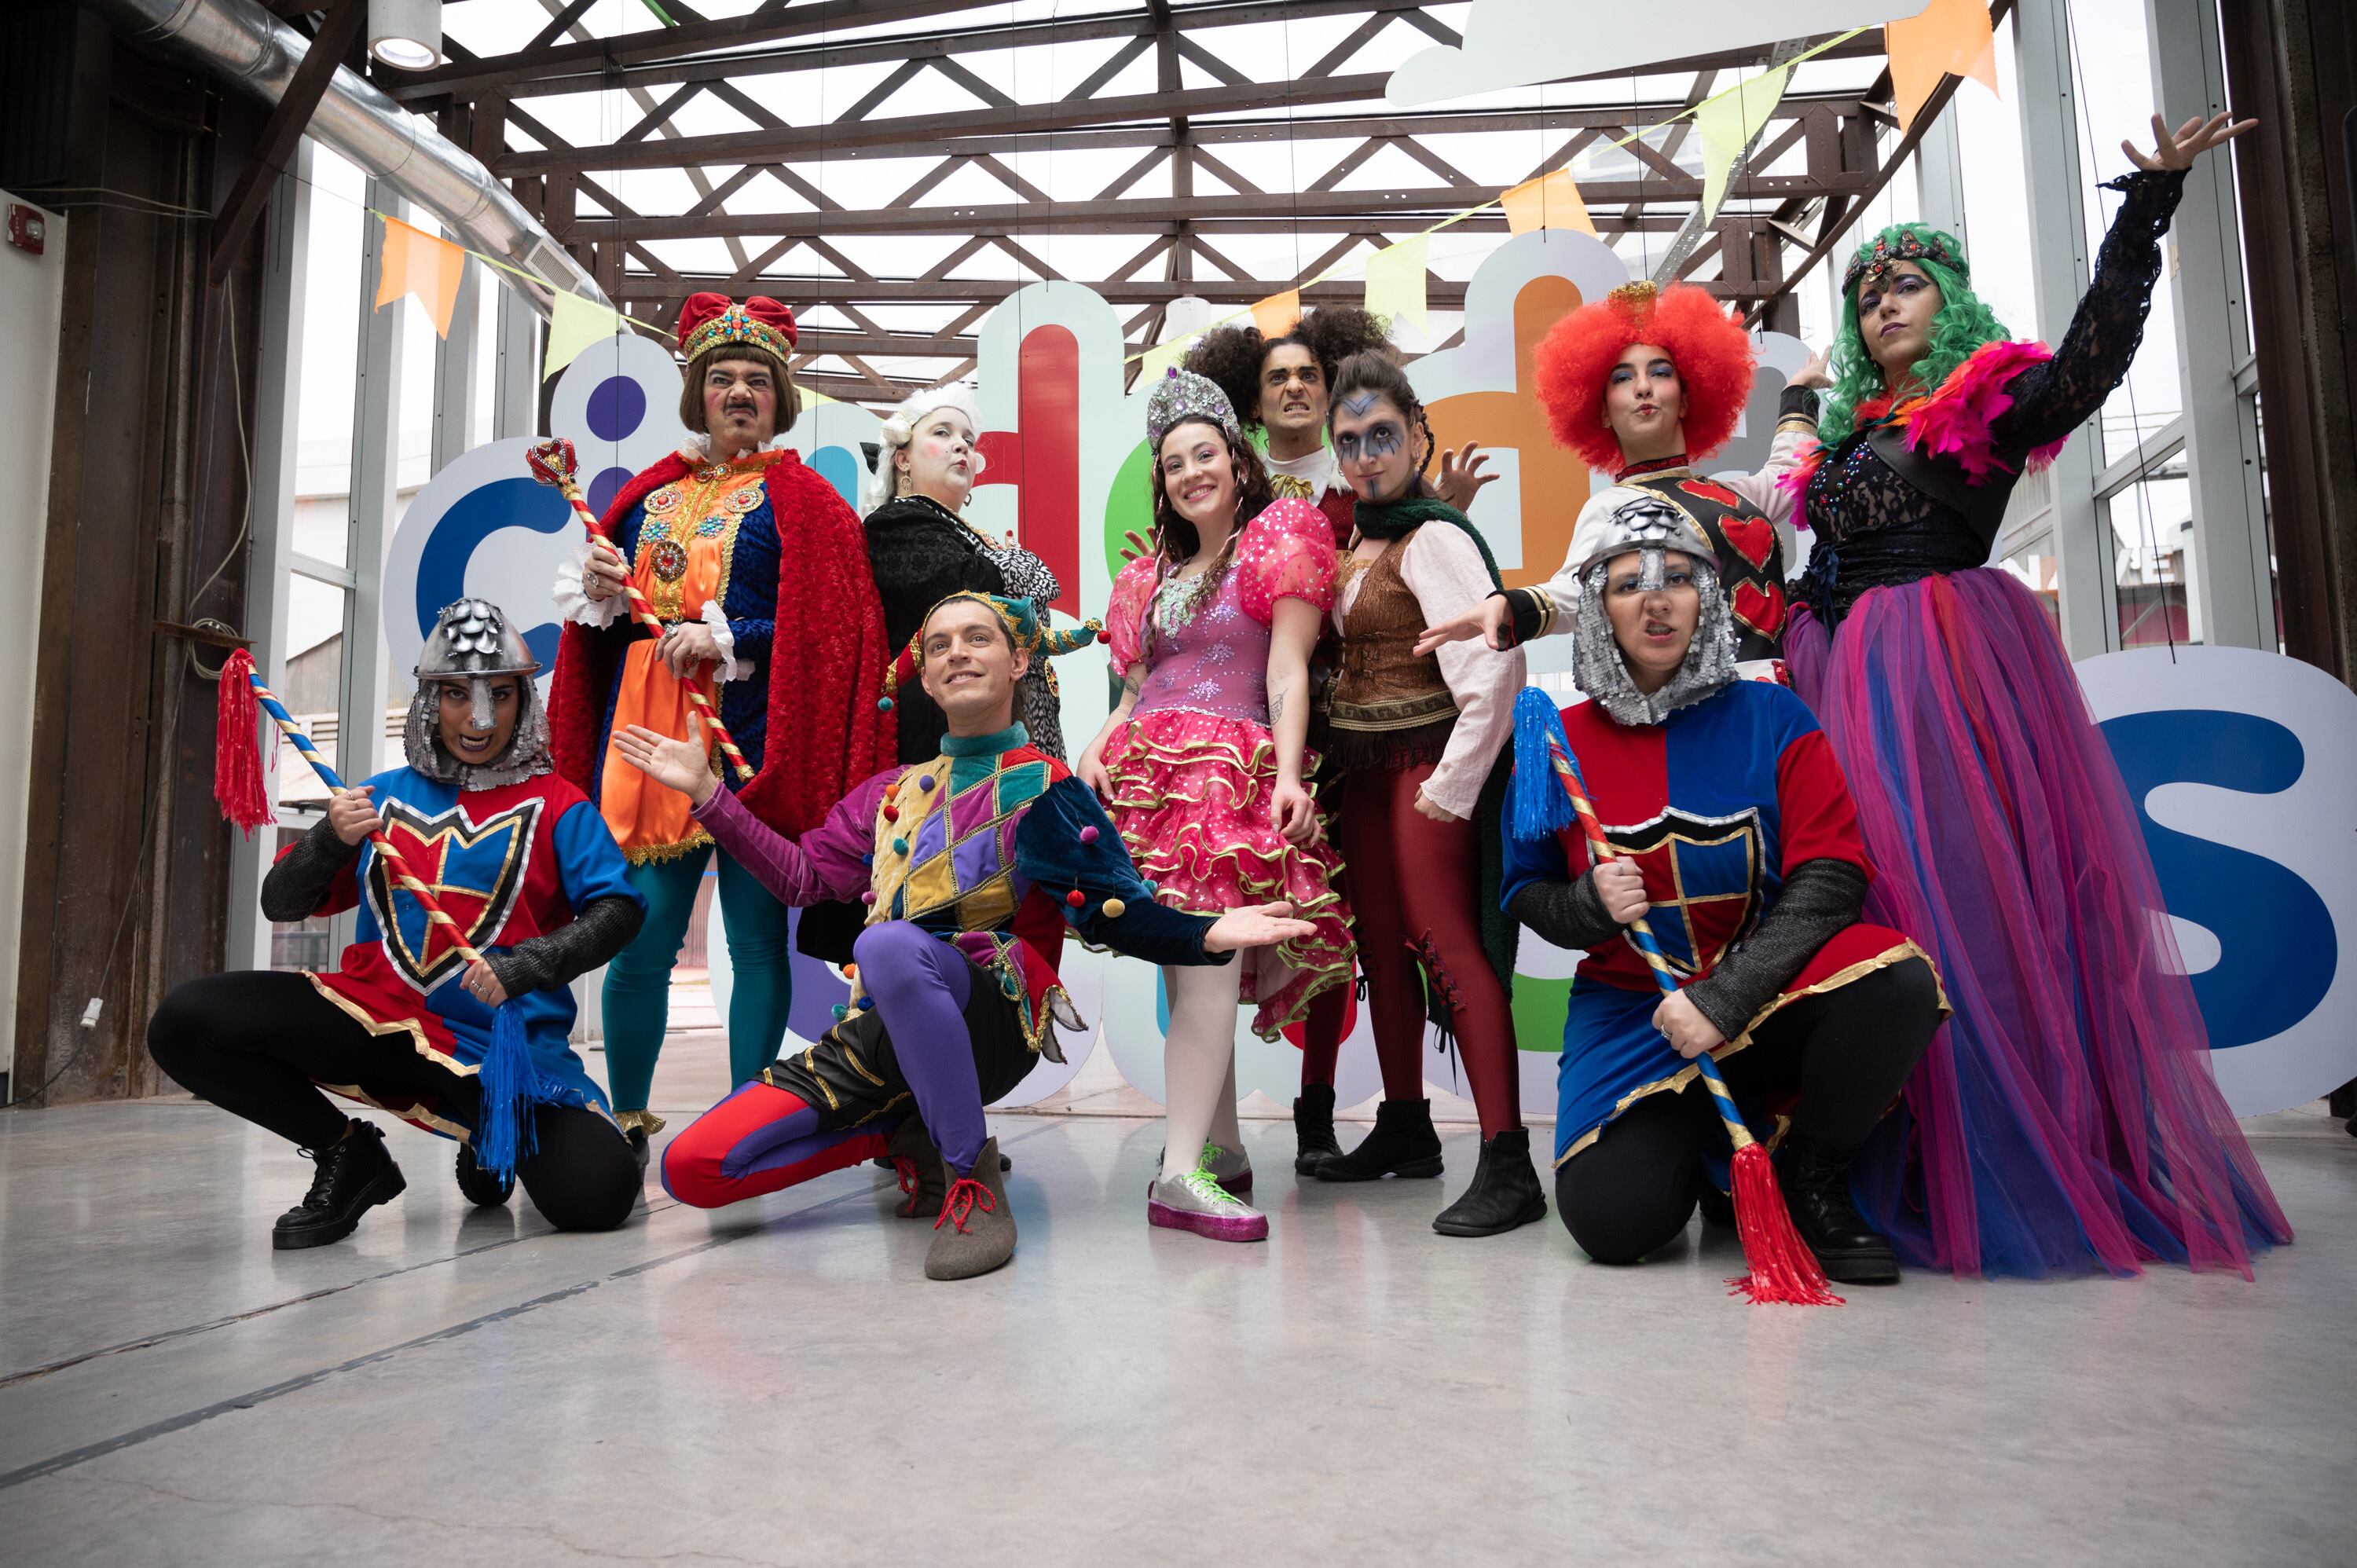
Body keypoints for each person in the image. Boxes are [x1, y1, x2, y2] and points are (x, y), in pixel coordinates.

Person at [1777, 112, 2291, 1277]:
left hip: (1938, 674)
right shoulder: (1856, 435)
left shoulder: (1991, 401)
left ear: (1947, 300)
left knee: (1959, 908)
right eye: (1868, 295)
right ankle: (1856, 1151)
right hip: (1837, 674)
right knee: (1862, 912)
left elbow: (2091, 364)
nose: (1885, 305)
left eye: (1907, 285)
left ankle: (1995, 1155)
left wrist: (2146, 205)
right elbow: (1811, 544)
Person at [621, 592, 1314, 1279]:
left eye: (977, 638)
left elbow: (1119, 911)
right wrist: (709, 797)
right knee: (695, 1169)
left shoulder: (1045, 790)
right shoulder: (891, 792)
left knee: (885, 945)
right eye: (940, 644)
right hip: (880, 1036)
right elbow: (802, 880)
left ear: (1019, 662)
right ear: (924, 678)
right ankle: (899, 1135)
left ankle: (970, 1180)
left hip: (989, 1022)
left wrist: (1208, 931)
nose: (957, 652)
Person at [1497, 509, 1946, 1282]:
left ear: (1709, 597)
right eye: (1629, 583)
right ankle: (1712, 1153)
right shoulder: (1554, 739)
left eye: (1678, 577)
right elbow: (1527, 892)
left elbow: (1832, 875)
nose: (1657, 599)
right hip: (1635, 1012)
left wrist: (1725, 999)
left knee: (1896, 980)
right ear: (1600, 606)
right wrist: (1587, 906)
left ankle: (1810, 1172)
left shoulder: (1776, 715)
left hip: (1770, 994)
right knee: (1614, 1223)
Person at [148, 600, 648, 1248]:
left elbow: (619, 910)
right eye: (454, 695)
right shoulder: (378, 793)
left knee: (596, 1197)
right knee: (186, 1022)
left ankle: (534, 1137)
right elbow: (280, 902)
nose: (479, 719)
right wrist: (327, 840)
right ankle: (347, 1154)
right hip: (373, 1018)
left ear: (523, 699)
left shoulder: (560, 804)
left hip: (497, 1047)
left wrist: (525, 966)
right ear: (428, 699)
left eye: (499, 694)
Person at [547, 292, 892, 1149]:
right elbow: (620, 623)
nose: (740, 393)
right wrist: (601, 589)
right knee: (640, 940)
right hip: (644, 739)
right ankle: (626, 1116)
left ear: (779, 398)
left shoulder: (807, 503)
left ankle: (745, 1118)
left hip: (752, 749)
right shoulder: (645, 495)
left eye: (757, 381)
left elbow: (830, 632)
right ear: (698, 391)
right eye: (723, 379)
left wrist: (728, 633)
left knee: (754, 942)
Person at [1078, 368, 1356, 1241]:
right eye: (1173, 463)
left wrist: (1284, 775)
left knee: (1208, 965)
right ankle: (1221, 1149)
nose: (1191, 471)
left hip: (1224, 775)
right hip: (1145, 772)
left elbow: (1286, 670)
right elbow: (1135, 685)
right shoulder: (1150, 575)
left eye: (1206, 454)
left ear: (1238, 463)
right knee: (1190, 969)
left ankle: (1176, 1173)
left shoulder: (1282, 537)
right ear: (1161, 483)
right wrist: (1096, 741)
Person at [1307, 351, 1541, 1236]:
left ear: (1416, 434)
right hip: (1359, 773)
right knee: (1379, 949)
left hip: (1424, 765)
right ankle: (1407, 1125)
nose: (1366, 455)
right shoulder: (1358, 539)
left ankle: (1508, 1160)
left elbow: (1494, 663)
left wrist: (1452, 786)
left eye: (1382, 435)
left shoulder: (1436, 536)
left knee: (1448, 945)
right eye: (1351, 441)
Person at [1415, 280, 1825, 680]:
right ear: (1603, 412)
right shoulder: (1610, 508)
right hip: (1704, 715)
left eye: (1660, 373)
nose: (1643, 387)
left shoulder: (1736, 495)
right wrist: (1511, 607)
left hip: (1780, 705)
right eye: (1623, 378)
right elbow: (1576, 592)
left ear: (1685, 399)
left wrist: (1797, 395)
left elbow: (1787, 473)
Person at [859, 383, 1069, 762]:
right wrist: (1018, 563)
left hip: (1008, 724)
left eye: (969, 441)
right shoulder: (894, 523)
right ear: (902, 460)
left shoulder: (962, 532)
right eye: (943, 433)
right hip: (947, 731)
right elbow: (968, 587)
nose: (962, 446)